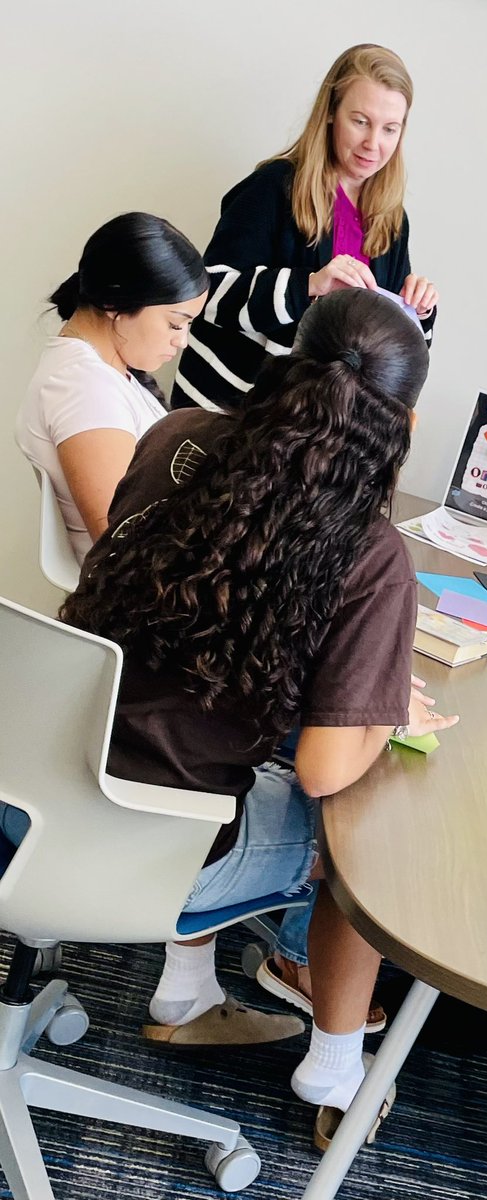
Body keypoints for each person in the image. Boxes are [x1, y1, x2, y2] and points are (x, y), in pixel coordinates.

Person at [56, 288, 457, 1146]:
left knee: (216, 733)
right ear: (404, 425)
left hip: (43, 773)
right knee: (365, 819)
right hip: (155, 845)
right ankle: (336, 1071)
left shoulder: (173, 436)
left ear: (286, 364)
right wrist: (381, 710)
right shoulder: (370, 551)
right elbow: (320, 768)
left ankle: (186, 992)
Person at [172, 43, 437, 411]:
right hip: (227, 417)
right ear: (330, 112)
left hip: (308, 438)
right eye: (360, 121)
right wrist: (310, 284)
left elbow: (387, 357)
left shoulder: (391, 220)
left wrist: (418, 312)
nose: (373, 144)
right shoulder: (273, 187)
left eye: (390, 129)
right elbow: (206, 295)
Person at [16, 213, 207, 560]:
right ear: (115, 304)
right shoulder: (82, 388)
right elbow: (125, 545)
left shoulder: (103, 374)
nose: (183, 342)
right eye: (175, 324)